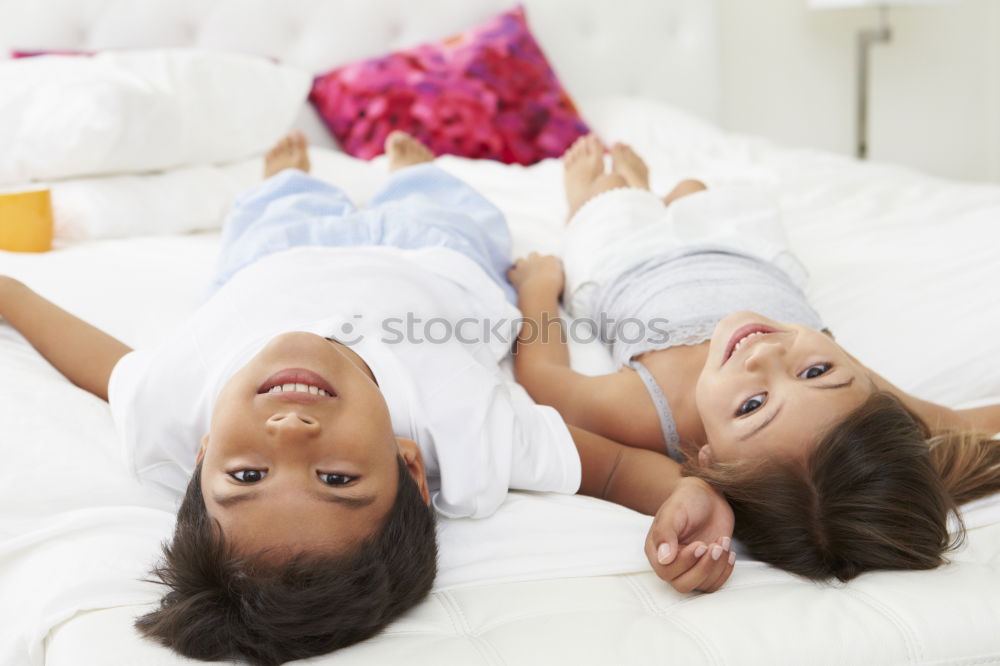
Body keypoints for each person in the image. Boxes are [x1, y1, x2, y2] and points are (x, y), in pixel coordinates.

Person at [0, 131, 737, 666]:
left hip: (273, 263)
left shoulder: (171, 407)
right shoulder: (471, 434)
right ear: (411, 468)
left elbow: (104, 365)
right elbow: (608, 469)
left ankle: (285, 179)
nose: (290, 432)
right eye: (337, 479)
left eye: (246, 476)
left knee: (268, 211)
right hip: (431, 258)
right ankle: (414, 170)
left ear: (198, 459)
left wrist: (11, 292)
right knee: (452, 205)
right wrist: (682, 497)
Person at [509, 134, 1000, 583]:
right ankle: (653, 192)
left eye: (752, 406)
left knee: (608, 189)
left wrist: (538, 292)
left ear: (708, 461)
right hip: (739, 252)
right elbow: (958, 421)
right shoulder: (855, 404)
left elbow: (544, 377)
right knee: (692, 187)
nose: (765, 353)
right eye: (815, 371)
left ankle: (602, 194)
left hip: (631, 261)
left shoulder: (645, 409)